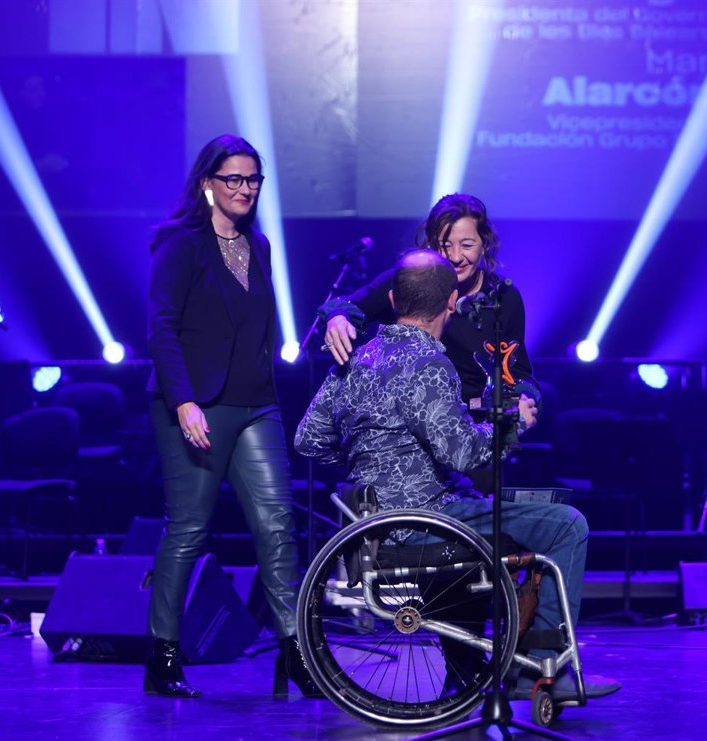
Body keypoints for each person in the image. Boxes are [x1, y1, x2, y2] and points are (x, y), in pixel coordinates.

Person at [295, 249, 618, 701]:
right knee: (567, 523)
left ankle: (478, 667)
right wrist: (512, 425)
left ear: (393, 299)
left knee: (527, 507)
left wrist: (363, 459)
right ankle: (541, 667)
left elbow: (308, 441)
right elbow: (464, 453)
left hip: (372, 527)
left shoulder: (354, 361)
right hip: (424, 524)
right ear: (451, 301)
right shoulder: (430, 364)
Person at [144, 134, 317, 699]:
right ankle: (162, 655)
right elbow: (161, 328)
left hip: (256, 404)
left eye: (253, 179)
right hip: (196, 405)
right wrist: (183, 400)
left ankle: (295, 652)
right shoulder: (180, 244)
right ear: (207, 184)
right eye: (234, 179)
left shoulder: (258, 245)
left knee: (277, 526)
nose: (245, 188)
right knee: (188, 529)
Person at [320, 193, 540, 410]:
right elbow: (346, 305)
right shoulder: (409, 279)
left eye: (466, 245)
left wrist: (523, 399)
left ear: (484, 244)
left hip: (474, 421)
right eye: (445, 245)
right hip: (405, 418)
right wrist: (337, 317)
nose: (455, 257)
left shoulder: (504, 297)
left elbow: (519, 373)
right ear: (432, 244)